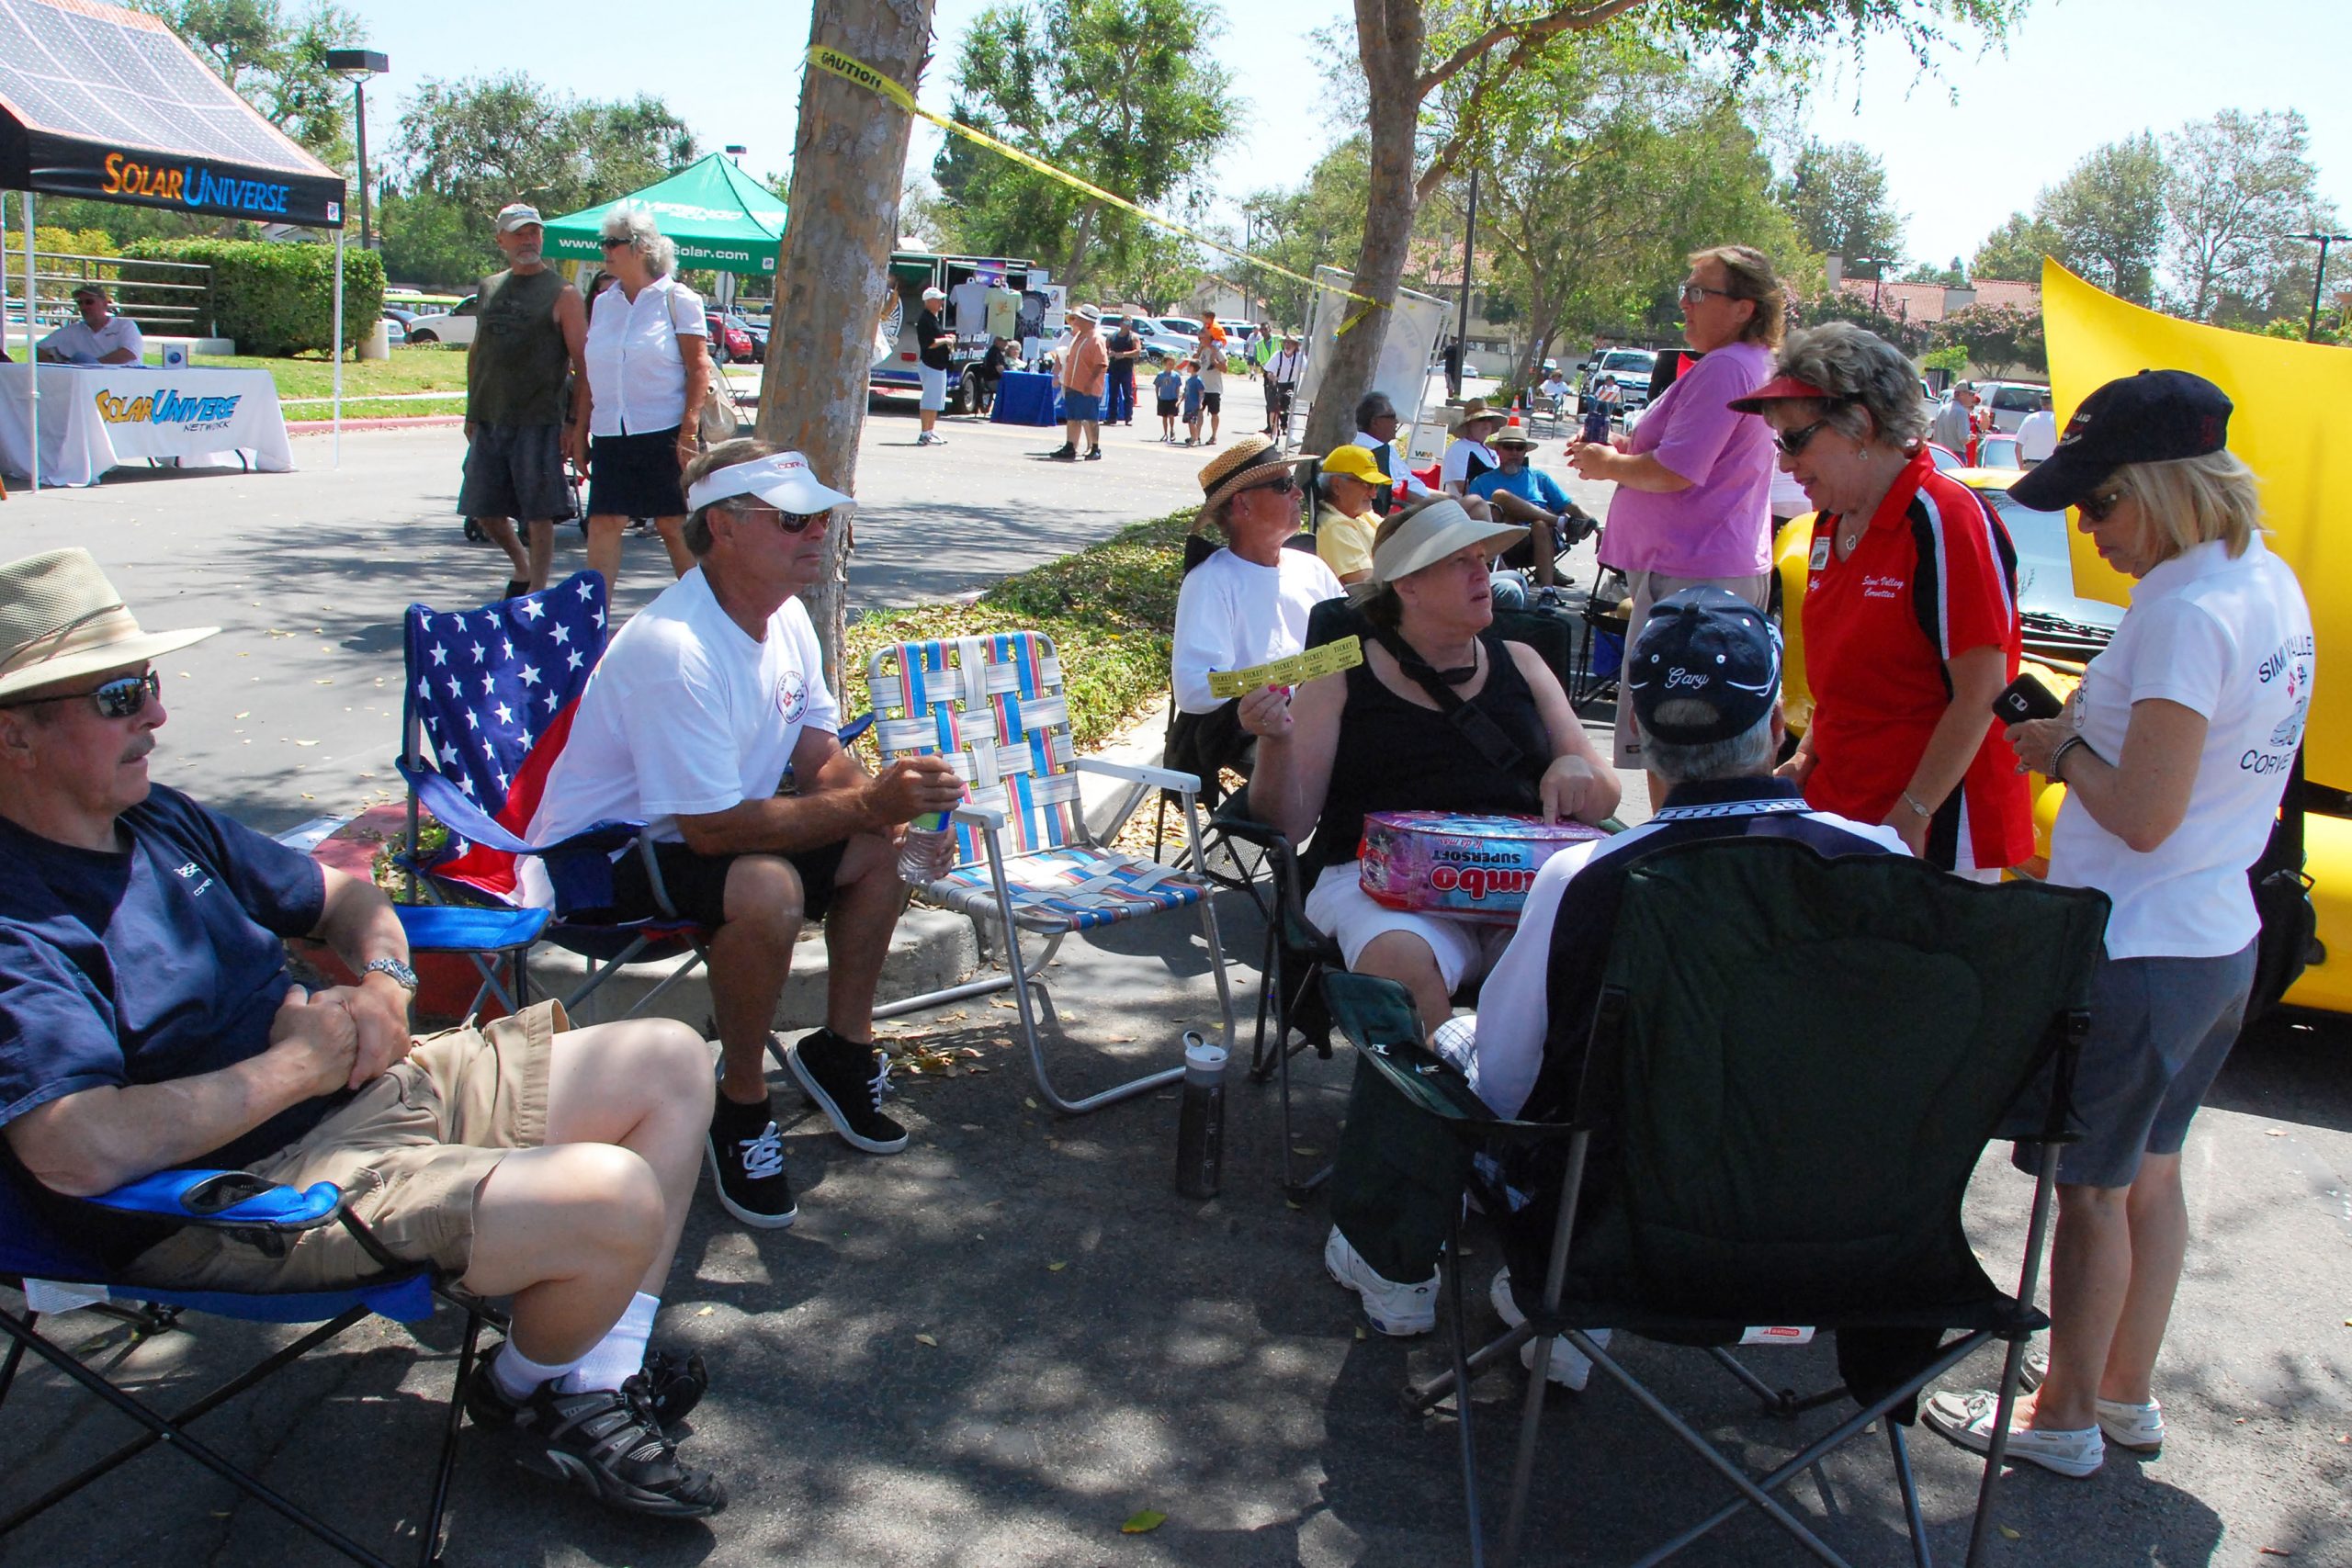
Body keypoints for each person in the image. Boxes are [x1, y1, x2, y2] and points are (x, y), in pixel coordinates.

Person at [0, 547, 727, 1517]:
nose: (158, 715)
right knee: (612, 1195)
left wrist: (385, 988)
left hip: (364, 1087)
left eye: (153, 685)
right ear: (17, 735)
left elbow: (342, 900)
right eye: (121, 695)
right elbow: (71, 1151)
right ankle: (521, 1393)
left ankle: (584, 1386)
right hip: (240, 1195)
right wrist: (296, 1068)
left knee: (671, 1058)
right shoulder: (18, 921)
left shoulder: (155, 819)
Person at [1321, 587, 1904, 1346]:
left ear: (1636, 731)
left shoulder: (1584, 874)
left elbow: (1508, 1081)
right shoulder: (1885, 863)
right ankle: (1562, 1332)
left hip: (1628, 1223)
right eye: (1456, 555)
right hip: (1842, 1236)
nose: (1476, 568)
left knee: (1434, 1047)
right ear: (1776, 726)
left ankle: (1409, 1264)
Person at [1926, 370, 2315, 1478]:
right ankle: (2121, 1396)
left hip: (2141, 943)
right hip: (2213, 938)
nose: (2090, 531)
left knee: (2087, 1194)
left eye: (2100, 506)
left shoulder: (2185, 613)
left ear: (2160, 486)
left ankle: (2061, 1419)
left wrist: (2061, 753)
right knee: (2149, 1177)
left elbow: (2142, 814)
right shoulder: (2260, 579)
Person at [525, 442, 966, 1230]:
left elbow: (819, 756)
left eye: (823, 516)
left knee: (880, 847)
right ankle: (741, 1102)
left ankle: (841, 1047)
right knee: (768, 886)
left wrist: (891, 810)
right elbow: (712, 829)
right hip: (604, 860)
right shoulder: (676, 646)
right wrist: (870, 805)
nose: (817, 534)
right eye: (793, 519)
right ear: (721, 529)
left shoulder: (786, 614)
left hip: (703, 833)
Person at [1240, 501, 1620, 1031]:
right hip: (1376, 884)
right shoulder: (1341, 673)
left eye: (1483, 558)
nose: (1482, 574)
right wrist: (1276, 742)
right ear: (1407, 586)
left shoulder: (1522, 661)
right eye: (1458, 561)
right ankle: (1445, 1106)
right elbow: (1288, 825)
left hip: (1512, 881)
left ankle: (1527, 1102)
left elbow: (1605, 801)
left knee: (1594, 950)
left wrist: (1576, 770)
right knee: (1400, 961)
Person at [1734, 323, 2033, 876]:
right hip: (1847, 814)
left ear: (1861, 426)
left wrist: (1911, 815)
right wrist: (1804, 756)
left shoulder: (1944, 519)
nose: (1785, 463)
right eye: (1778, 443)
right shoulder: (1827, 523)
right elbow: (1850, 678)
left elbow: (1982, 692)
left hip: (1931, 831)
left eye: (1795, 440)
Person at [1566, 243, 1783, 797]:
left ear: (1743, 307)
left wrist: (1609, 463)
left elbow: (1678, 470)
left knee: (1674, 742)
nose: (1683, 304)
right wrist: (1616, 451)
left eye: (1698, 292)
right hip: (1703, 573)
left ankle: (1670, 857)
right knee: (1701, 748)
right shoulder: (1742, 365)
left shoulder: (1727, 368)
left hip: (1694, 582)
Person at [1170, 436, 1345, 790]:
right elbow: (1193, 688)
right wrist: (1288, 678)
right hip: (1256, 729)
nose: (1298, 493)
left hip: (1329, 715)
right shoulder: (1211, 582)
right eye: (1283, 485)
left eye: (1293, 483)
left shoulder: (1312, 568)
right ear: (1242, 504)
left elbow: (1352, 639)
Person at [575, 204, 710, 587]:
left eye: (612, 242)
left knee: (673, 525)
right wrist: (580, 429)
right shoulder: (604, 303)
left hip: (663, 428)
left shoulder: (679, 299)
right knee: (603, 523)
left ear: (641, 248)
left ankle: (706, 618)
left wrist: (687, 432)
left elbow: (698, 367)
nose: (604, 249)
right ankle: (594, 629)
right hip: (610, 432)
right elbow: (590, 372)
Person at [461, 203, 587, 603]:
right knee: (484, 509)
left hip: (539, 419)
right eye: (518, 233)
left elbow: (584, 364)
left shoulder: (563, 293)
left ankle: (537, 589)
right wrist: (471, 410)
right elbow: (478, 351)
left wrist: (574, 423)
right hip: (490, 415)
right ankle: (521, 565)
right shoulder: (490, 286)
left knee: (538, 513)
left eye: (534, 232)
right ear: (501, 240)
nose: (528, 240)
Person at [1467, 423, 1591, 590]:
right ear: (1498, 449)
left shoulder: (1538, 478)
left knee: (1540, 525)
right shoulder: (1481, 482)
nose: (1514, 452)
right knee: (1499, 497)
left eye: (1519, 448)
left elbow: (1570, 506)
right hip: (1499, 546)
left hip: (1538, 543)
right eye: (1508, 447)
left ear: (1525, 451)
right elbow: (1470, 520)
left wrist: (1597, 527)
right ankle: (1560, 522)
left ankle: (1547, 591)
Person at [1313, 443, 1390, 587]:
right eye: (1367, 484)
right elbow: (1370, 585)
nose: (1374, 494)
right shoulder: (1336, 527)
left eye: (1376, 486)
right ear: (1336, 485)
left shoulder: (1363, 516)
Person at [1351, 392, 1438, 517]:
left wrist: (1444, 498)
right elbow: (1394, 493)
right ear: (1375, 422)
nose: (1396, 421)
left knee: (1471, 502)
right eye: (1391, 416)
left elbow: (1408, 481)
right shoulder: (1371, 452)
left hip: (1420, 503)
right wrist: (1433, 505)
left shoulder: (1385, 448)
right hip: (1409, 512)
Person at [1051, 304, 1109, 462]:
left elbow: (1101, 364)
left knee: (1090, 418)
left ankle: (1095, 448)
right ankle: (1070, 446)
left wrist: (1090, 383)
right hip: (1073, 384)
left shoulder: (1096, 339)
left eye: (1080, 319)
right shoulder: (1079, 337)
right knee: (1073, 418)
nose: (1077, 321)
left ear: (1088, 322)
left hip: (1086, 388)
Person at [36, 285, 142, 365]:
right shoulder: (72, 331)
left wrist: (89, 366)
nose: (83, 307)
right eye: (80, 303)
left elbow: (128, 354)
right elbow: (39, 348)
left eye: (89, 302)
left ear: (105, 304)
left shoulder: (124, 326)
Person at [1439, 400, 1509, 498]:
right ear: (1469, 424)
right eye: (1481, 419)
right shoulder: (1458, 449)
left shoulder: (1491, 449)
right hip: (1467, 507)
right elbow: (1463, 487)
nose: (1486, 424)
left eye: (1489, 419)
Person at [913, 285, 955, 447]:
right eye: (938, 300)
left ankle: (930, 430)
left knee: (937, 400)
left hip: (939, 365)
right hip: (930, 365)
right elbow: (928, 343)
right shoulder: (925, 320)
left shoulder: (933, 319)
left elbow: (937, 337)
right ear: (929, 301)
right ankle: (924, 433)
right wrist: (945, 340)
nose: (940, 303)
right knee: (929, 399)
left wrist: (946, 337)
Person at [1264, 333, 1306, 438]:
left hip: (1291, 385)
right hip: (1276, 384)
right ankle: (1274, 433)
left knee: (1289, 409)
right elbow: (1268, 372)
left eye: (1291, 343)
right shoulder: (1278, 355)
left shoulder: (1300, 357)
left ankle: (1290, 435)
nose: (1288, 345)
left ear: (1295, 346)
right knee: (1273, 409)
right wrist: (1273, 378)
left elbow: (1306, 370)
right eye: (1286, 342)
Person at [1104, 314, 1141, 427]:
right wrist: (1109, 354)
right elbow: (1105, 349)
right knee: (1113, 394)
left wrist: (1123, 355)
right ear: (1120, 324)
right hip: (1114, 368)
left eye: (1130, 324)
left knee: (1128, 394)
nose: (1128, 326)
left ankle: (1128, 418)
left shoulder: (1133, 337)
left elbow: (1137, 351)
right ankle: (1112, 418)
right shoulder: (1112, 336)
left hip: (1126, 369)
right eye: (1126, 323)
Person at [1930, 381, 1980, 457]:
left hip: (1938, 454)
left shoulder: (1942, 409)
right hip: (1955, 456)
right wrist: (1970, 437)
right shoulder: (1961, 412)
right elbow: (1964, 439)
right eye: (1971, 394)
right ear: (1962, 394)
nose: (1973, 397)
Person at [1198, 329, 1227, 445]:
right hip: (1201, 386)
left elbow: (1225, 369)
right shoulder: (1202, 350)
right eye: (1199, 338)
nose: (1200, 341)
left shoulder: (1218, 351)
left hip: (1214, 388)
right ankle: (1197, 436)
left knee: (1214, 413)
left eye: (1202, 338)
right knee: (1198, 411)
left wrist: (1214, 362)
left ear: (1210, 338)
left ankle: (1213, 436)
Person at [2018, 390, 2058, 467]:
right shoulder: (2058, 421)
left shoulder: (2029, 419)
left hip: (2030, 465)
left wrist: (2021, 467)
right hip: (2051, 466)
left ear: (2041, 402)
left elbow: (2018, 447)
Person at [1579, 374, 1621, 445]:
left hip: (1609, 404)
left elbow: (1615, 397)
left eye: (1610, 380)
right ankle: (1592, 412)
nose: (1608, 382)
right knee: (1590, 397)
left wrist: (1605, 396)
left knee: (1604, 401)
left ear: (1613, 381)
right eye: (1607, 380)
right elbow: (1597, 396)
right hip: (1599, 402)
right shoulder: (1602, 387)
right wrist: (1603, 394)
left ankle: (1595, 412)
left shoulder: (1616, 388)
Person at [1154, 360, 1183, 443]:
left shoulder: (1176, 376)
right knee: (1164, 417)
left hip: (1172, 398)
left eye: (1172, 364)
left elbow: (1178, 387)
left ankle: (1172, 430)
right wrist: (1157, 396)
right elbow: (1157, 386)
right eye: (1169, 364)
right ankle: (1165, 433)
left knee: (1171, 415)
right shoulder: (1160, 375)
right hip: (1163, 398)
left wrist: (1177, 398)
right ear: (1165, 364)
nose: (1171, 366)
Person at [1181, 359, 1207, 446]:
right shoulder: (1189, 380)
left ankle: (1195, 438)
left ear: (1193, 368)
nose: (1187, 368)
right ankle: (1192, 437)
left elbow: (1201, 392)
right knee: (1189, 422)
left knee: (1192, 422)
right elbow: (1186, 392)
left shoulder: (1198, 380)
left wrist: (1200, 403)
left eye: (1189, 366)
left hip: (1194, 405)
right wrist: (1179, 401)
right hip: (1188, 405)